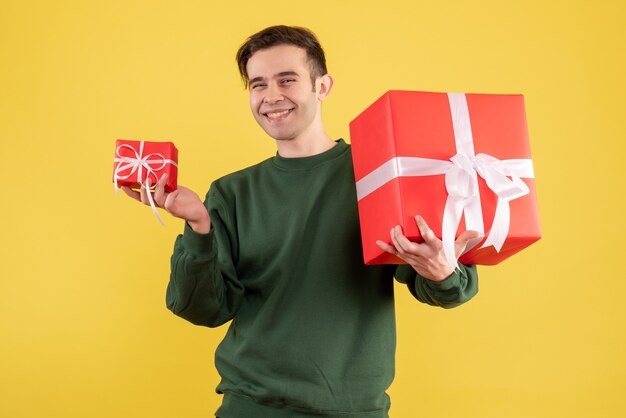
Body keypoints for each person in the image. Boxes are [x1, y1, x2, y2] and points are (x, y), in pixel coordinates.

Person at [122, 25, 479, 418]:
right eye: (258, 85)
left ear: (322, 86)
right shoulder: (230, 192)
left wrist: (443, 270)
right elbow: (203, 310)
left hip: (352, 409)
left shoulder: (376, 177)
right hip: (250, 406)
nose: (271, 97)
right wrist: (197, 227)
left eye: (286, 80)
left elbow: (446, 290)